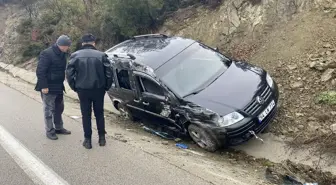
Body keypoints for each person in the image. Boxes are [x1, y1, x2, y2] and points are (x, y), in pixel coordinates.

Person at [66, 34, 113, 149]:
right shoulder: (102, 55)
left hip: (83, 90)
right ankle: (102, 138)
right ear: (93, 43)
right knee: (99, 113)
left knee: (85, 115)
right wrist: (106, 87)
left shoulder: (75, 55)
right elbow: (109, 73)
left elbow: (69, 74)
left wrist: (74, 87)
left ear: (82, 43)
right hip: (99, 89)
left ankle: (87, 140)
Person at [35, 35, 72, 140]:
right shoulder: (47, 53)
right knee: (48, 110)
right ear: (62, 45)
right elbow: (40, 71)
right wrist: (44, 86)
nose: (68, 48)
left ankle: (59, 127)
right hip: (48, 86)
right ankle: (50, 131)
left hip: (59, 85)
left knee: (59, 108)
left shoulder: (63, 53)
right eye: (67, 46)